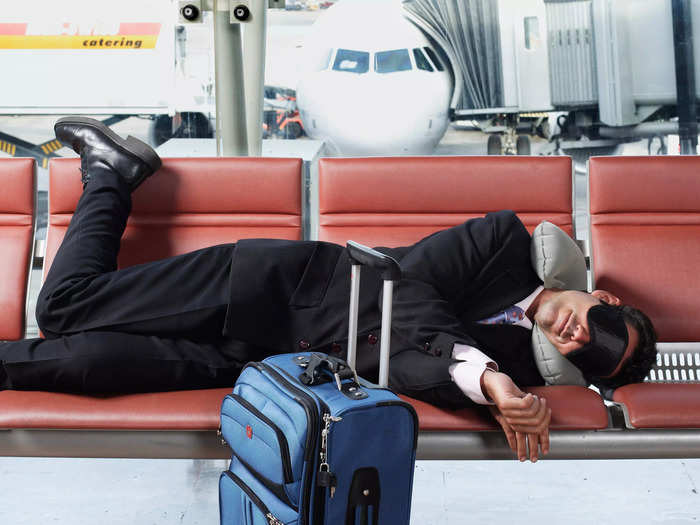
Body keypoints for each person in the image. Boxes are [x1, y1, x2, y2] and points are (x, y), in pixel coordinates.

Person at [0, 118, 657, 462]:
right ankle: (111, 172)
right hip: (269, 290)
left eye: (593, 357)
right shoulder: (503, 243)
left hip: (266, 367)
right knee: (63, 308)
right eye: (600, 328)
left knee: (88, 361)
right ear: (598, 297)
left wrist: (496, 386)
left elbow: (406, 369)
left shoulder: (522, 373)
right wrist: (484, 379)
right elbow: (405, 288)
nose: (580, 338)